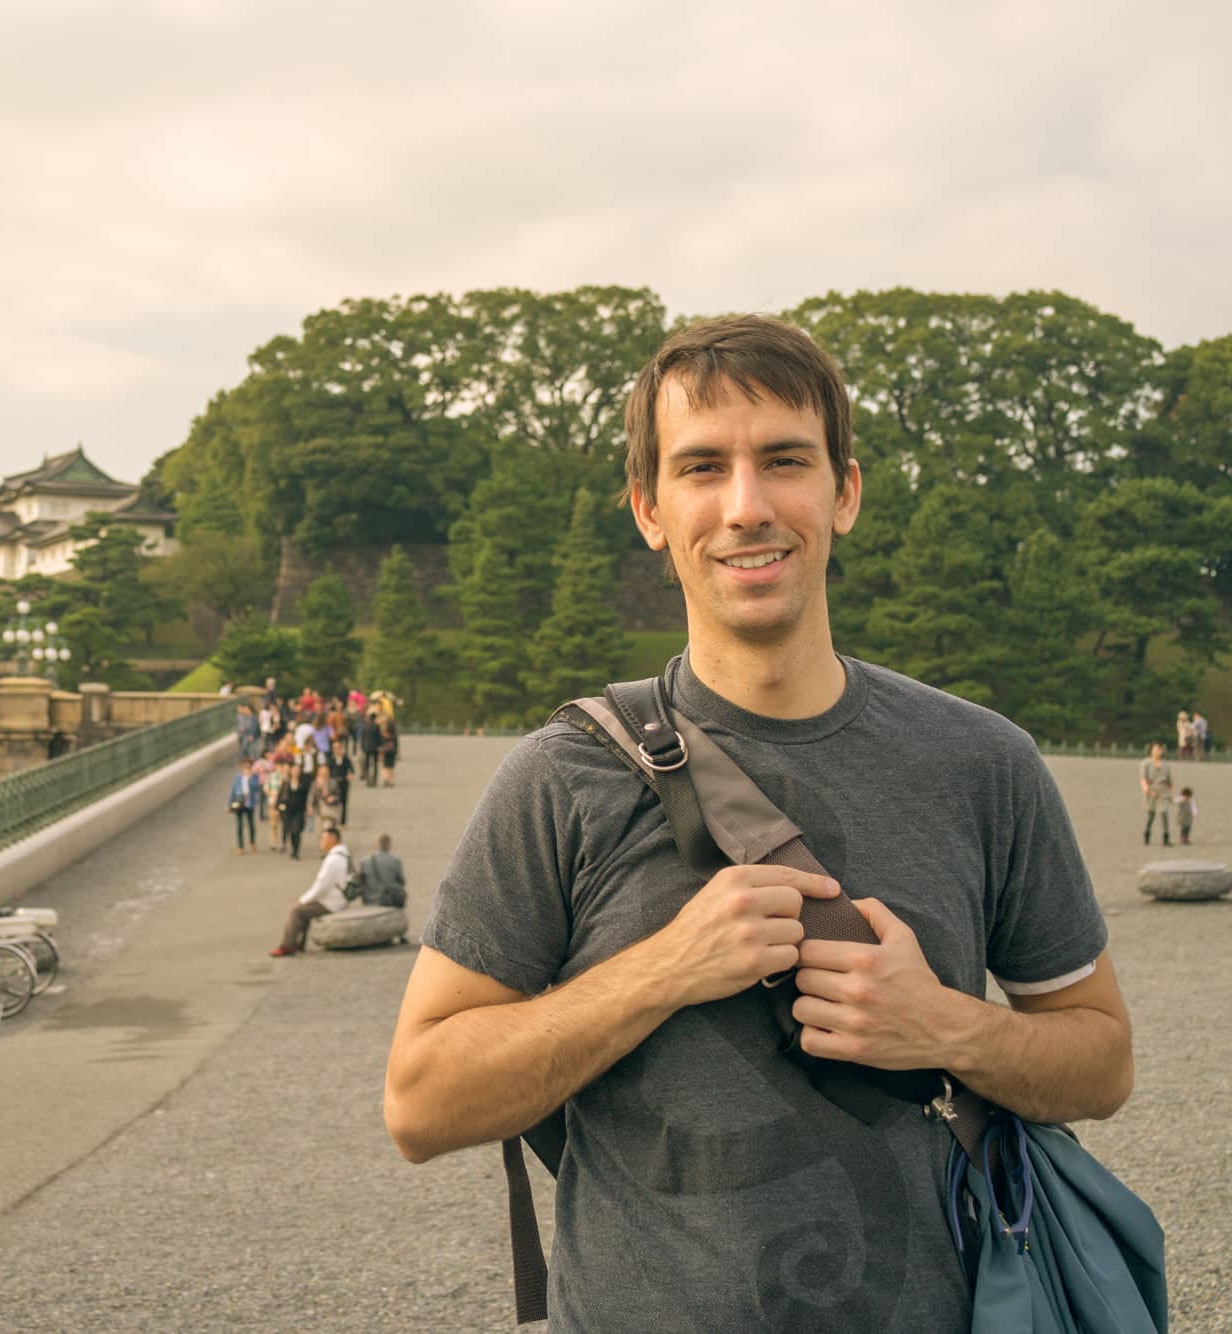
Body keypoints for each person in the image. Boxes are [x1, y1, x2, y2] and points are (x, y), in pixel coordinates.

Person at [384, 314, 1132, 1332]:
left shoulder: (981, 763)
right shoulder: (560, 777)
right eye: (701, 467)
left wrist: (941, 1024)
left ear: (844, 491)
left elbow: (1098, 1059)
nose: (745, 506)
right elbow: (420, 1102)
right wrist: (666, 967)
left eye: (784, 459)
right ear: (649, 509)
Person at [269, 826, 351, 956]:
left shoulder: (333, 860)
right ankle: (299, 944)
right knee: (305, 911)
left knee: (297, 912)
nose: (321, 842)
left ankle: (287, 946)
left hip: (332, 902)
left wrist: (304, 899)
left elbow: (321, 886)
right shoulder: (344, 855)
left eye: (323, 839)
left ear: (332, 839)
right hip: (339, 898)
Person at [357, 833, 406, 910]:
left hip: (369, 902)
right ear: (389, 844)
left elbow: (361, 883)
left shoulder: (364, 862)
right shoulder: (395, 861)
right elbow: (402, 882)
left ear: (377, 844)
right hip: (388, 902)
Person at [1140, 741, 1175, 846]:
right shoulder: (1146, 763)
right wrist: (1146, 789)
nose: (1158, 751)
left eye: (1159, 749)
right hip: (1152, 791)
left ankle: (1166, 836)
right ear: (1151, 751)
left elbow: (1170, 782)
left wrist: (1171, 793)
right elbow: (1143, 778)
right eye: (1155, 749)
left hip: (1163, 791)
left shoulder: (1166, 764)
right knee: (1151, 815)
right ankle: (1146, 834)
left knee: (1164, 813)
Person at [228, 759, 262, 854]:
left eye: (249, 767)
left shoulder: (254, 777)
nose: (247, 769)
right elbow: (233, 791)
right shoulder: (238, 778)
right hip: (239, 803)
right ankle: (240, 846)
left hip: (249, 803)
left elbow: (257, 788)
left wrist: (250, 778)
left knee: (251, 824)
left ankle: (252, 842)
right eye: (245, 767)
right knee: (239, 826)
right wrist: (229, 804)